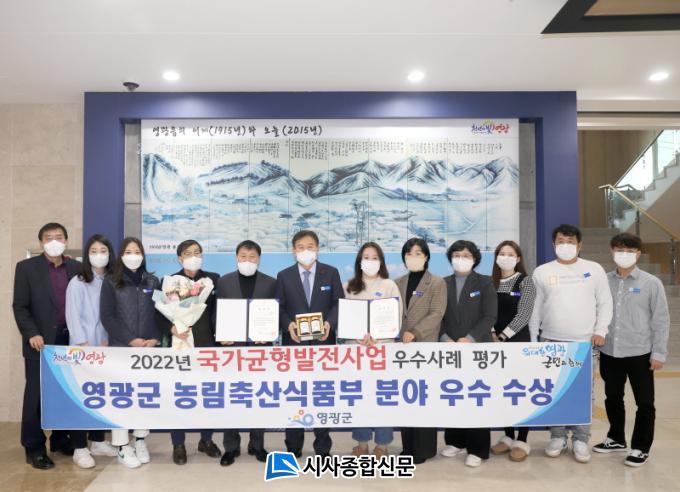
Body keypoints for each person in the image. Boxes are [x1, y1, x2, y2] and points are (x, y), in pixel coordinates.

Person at [529, 224, 613, 464]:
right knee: (554, 391)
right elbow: (535, 308)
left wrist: (600, 330)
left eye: (570, 241)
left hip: (583, 343)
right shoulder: (542, 272)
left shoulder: (593, 269)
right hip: (551, 340)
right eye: (560, 241)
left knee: (583, 393)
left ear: (579, 245)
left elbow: (605, 302)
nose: (565, 245)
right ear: (553, 244)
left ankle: (581, 439)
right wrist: (534, 339)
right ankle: (557, 436)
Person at [592, 233, 670, 467]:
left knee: (644, 402)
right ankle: (616, 438)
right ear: (612, 252)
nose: (623, 254)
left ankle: (641, 447)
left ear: (638, 253)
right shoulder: (603, 281)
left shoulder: (651, 283)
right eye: (619, 249)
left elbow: (661, 320)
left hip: (640, 352)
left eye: (629, 250)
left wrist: (659, 353)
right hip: (610, 351)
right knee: (613, 398)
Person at [12, 223, 81, 469]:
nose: (54, 241)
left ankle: (61, 440)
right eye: (48, 237)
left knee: (65, 392)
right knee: (36, 396)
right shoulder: (26, 268)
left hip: (69, 342)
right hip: (40, 343)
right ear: (41, 242)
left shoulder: (76, 268)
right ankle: (34, 447)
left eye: (59, 237)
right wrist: (31, 333)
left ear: (66, 241)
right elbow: (20, 306)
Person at [100, 237, 169, 468]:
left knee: (143, 396)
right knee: (122, 397)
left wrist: (155, 339)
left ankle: (140, 440)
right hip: (122, 349)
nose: (133, 255)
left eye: (137, 251)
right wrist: (130, 340)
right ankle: (122, 445)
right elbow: (107, 316)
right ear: (121, 255)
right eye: (128, 251)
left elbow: (160, 313)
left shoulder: (152, 280)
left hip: (148, 349)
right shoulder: (111, 281)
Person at [277, 230, 344, 458]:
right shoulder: (284, 276)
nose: (306, 251)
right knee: (295, 395)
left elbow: (338, 303)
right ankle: (293, 446)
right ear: (293, 250)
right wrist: (288, 325)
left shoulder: (331, 273)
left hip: (323, 345)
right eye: (300, 247)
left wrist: (329, 323)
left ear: (317, 248)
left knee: (321, 395)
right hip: (294, 344)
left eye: (310, 246)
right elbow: (279, 307)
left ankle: (322, 447)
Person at [216, 240, 277, 466]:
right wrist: (220, 334)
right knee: (232, 397)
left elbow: (275, 313)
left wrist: (270, 333)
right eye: (243, 256)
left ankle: (257, 445)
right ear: (236, 257)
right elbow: (216, 313)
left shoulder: (271, 283)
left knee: (259, 397)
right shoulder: (224, 281)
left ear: (259, 259)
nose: (247, 261)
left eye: (252, 257)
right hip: (231, 350)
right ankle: (231, 448)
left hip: (260, 350)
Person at [439, 240, 497, 468]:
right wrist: (445, 338)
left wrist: (470, 338)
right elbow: (437, 316)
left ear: (474, 259)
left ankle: (478, 449)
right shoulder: (443, 283)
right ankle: (456, 441)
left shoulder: (484, 282)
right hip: (450, 348)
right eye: (456, 255)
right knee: (453, 395)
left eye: (465, 255)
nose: (460, 259)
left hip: (477, 349)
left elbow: (490, 316)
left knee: (476, 396)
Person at [65, 234, 119, 468]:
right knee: (81, 397)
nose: (99, 255)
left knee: (100, 396)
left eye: (103, 250)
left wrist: (108, 340)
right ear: (87, 255)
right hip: (83, 348)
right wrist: (83, 343)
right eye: (94, 251)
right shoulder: (78, 281)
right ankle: (79, 447)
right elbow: (72, 315)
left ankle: (97, 441)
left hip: (105, 348)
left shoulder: (113, 281)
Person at [344, 242, 402, 458]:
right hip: (356, 351)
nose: (370, 261)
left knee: (382, 396)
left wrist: (378, 336)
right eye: (366, 257)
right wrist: (357, 336)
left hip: (382, 350)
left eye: (375, 257)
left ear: (381, 262)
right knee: (360, 397)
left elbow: (396, 317)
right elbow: (345, 318)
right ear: (359, 261)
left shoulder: (389, 285)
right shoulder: (348, 286)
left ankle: (383, 444)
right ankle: (362, 443)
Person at [168, 240, 222, 465]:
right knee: (180, 395)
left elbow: (220, 311)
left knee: (207, 395)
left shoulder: (213, 279)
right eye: (188, 253)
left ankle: (206, 440)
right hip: (180, 345)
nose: (193, 256)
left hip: (207, 345)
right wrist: (170, 327)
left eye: (197, 252)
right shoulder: (170, 281)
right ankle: (178, 444)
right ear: (179, 258)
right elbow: (159, 314)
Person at [395, 237, 446, 464]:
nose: (413, 257)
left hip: (425, 348)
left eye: (418, 253)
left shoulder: (436, 283)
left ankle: (424, 450)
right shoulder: (397, 283)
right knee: (406, 399)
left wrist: (415, 332)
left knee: (424, 398)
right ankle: (407, 447)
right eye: (409, 253)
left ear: (426, 256)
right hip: (401, 351)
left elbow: (437, 314)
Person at [489, 240, 536, 462]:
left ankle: (522, 439)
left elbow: (524, 313)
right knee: (502, 391)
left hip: (517, 343)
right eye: (502, 253)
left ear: (518, 259)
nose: (506, 257)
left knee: (520, 391)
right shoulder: (490, 282)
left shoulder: (525, 281)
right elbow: (487, 312)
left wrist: (503, 336)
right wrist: (492, 334)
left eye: (510, 254)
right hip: (494, 344)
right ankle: (508, 436)